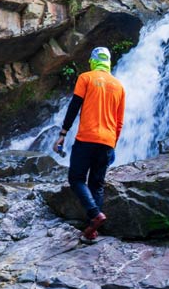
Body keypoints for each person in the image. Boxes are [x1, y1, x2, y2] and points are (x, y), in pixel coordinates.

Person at [53, 46, 126, 243]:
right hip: (107, 141)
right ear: (108, 62)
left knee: (76, 178)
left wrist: (63, 133)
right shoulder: (119, 86)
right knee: (97, 184)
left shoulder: (86, 78)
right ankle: (92, 230)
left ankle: (95, 214)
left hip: (86, 138)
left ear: (93, 61)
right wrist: (113, 145)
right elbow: (119, 122)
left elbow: (74, 106)